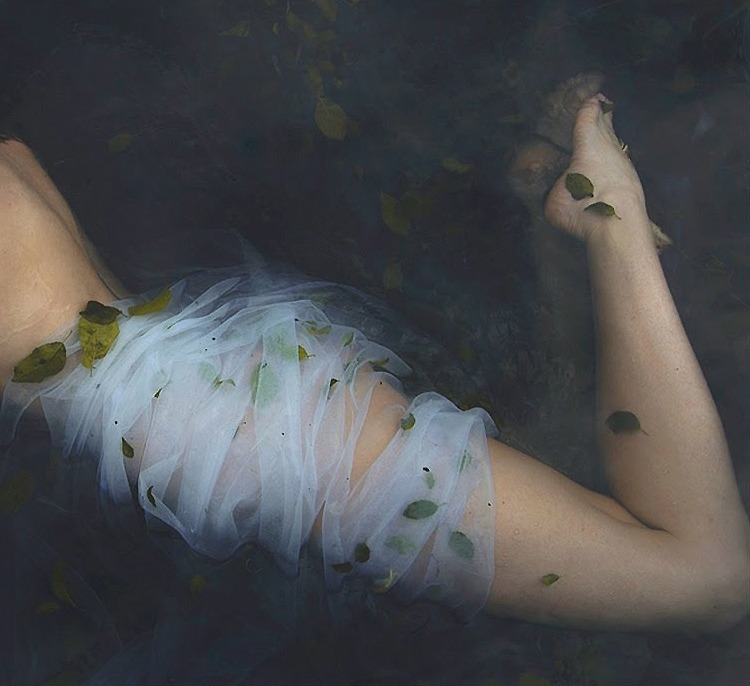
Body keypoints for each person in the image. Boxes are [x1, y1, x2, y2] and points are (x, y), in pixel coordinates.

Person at [0, 88, 748, 639]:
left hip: (203, 417)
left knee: (706, 576)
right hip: (186, 372)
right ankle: (569, 212)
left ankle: (607, 212)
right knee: (677, 557)